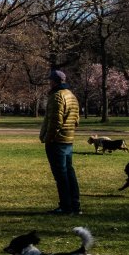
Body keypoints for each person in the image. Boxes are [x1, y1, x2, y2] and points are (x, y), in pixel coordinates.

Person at [41, 69, 81, 215]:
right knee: (69, 173)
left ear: (54, 81)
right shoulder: (72, 96)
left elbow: (55, 121)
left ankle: (65, 206)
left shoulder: (57, 96)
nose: (49, 83)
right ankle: (75, 205)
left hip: (57, 141)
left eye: (50, 81)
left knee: (61, 175)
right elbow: (76, 120)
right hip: (69, 140)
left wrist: (48, 138)